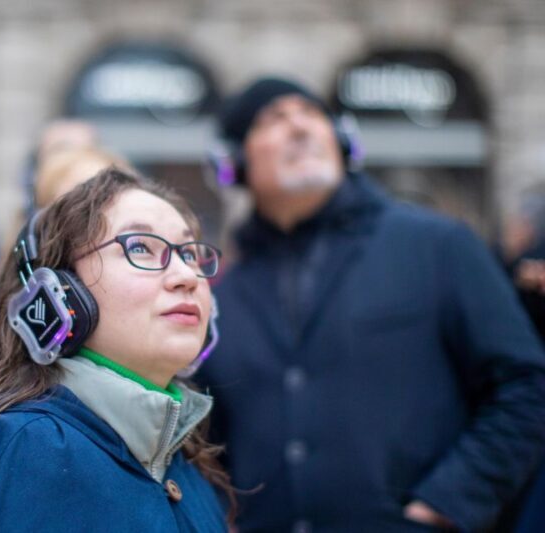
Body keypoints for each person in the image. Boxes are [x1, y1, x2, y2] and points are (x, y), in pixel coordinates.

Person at [195, 77, 545, 532]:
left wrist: (449, 502)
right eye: (273, 119)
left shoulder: (438, 245)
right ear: (234, 163)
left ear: (343, 142)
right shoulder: (222, 294)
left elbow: (526, 383)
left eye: (312, 114)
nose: (299, 127)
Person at [0, 168, 232, 531]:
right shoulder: (24, 451)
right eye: (140, 247)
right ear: (56, 292)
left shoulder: (180, 457)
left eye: (189, 253)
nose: (187, 275)